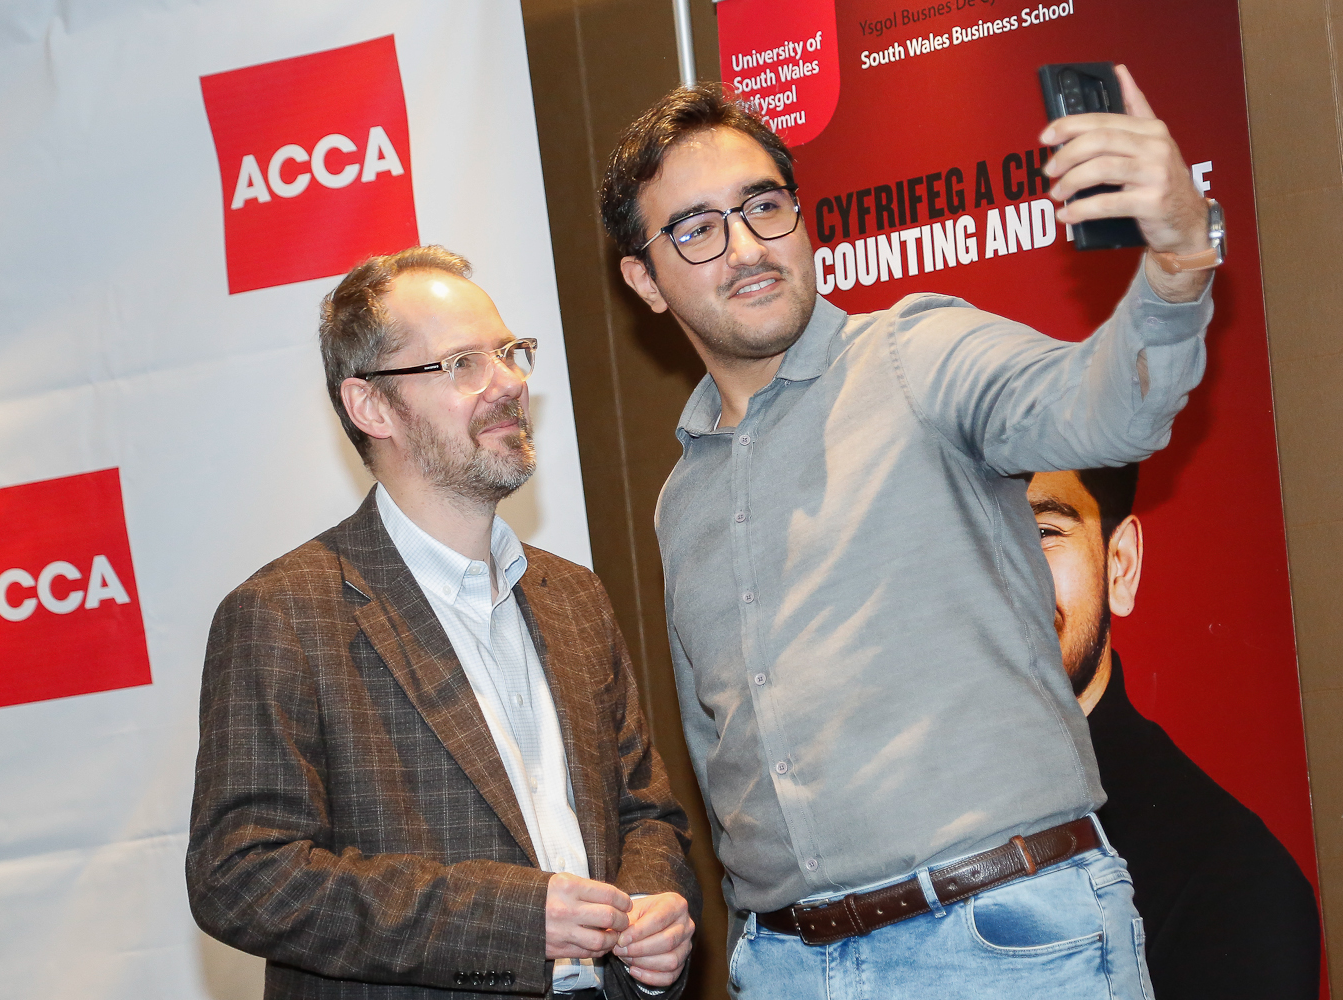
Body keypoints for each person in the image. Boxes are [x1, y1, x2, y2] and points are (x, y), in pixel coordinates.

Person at [601, 70, 1220, 999]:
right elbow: (718, 748)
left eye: (763, 205)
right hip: (788, 967)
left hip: (1001, 947)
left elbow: (1109, 410)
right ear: (645, 280)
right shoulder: (681, 499)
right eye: (696, 228)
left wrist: (1178, 258)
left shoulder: (915, 354)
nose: (747, 246)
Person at [187, 246, 699, 1000]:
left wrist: (652, 911)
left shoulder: (574, 595)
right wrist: (513, 923)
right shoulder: (284, 613)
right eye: (463, 364)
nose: (510, 383)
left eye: (510, 352)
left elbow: (645, 811)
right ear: (370, 406)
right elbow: (243, 875)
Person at [1027, 465, 1322, 1000]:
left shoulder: (1232, 884)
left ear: (1121, 565)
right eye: (965, 537)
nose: (999, 574)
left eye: (1044, 531)